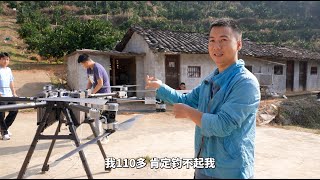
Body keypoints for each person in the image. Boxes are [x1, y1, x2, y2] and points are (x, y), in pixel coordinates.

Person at [145, 18, 260, 179]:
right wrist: (160, 87)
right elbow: (186, 100)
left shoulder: (245, 83)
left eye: (223, 40)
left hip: (230, 171)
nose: (216, 46)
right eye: (212, 40)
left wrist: (189, 113)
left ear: (239, 44)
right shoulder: (210, 80)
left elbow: (222, 125)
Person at [77, 53, 111, 144]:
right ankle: (96, 133)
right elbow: (90, 82)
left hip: (103, 94)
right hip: (96, 94)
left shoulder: (97, 67)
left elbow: (100, 84)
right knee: (95, 115)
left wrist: (92, 94)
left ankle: (104, 137)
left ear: (87, 61)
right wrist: (86, 92)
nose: (83, 66)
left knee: (101, 116)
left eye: (83, 64)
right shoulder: (89, 69)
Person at [0, 52, 18, 140]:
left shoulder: (9, 70)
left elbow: (11, 82)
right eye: (3, 59)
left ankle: (4, 128)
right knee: (1, 113)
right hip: (1, 96)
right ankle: (4, 133)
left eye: (7, 59)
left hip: (9, 95)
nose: (5, 61)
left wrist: (14, 93)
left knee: (14, 110)